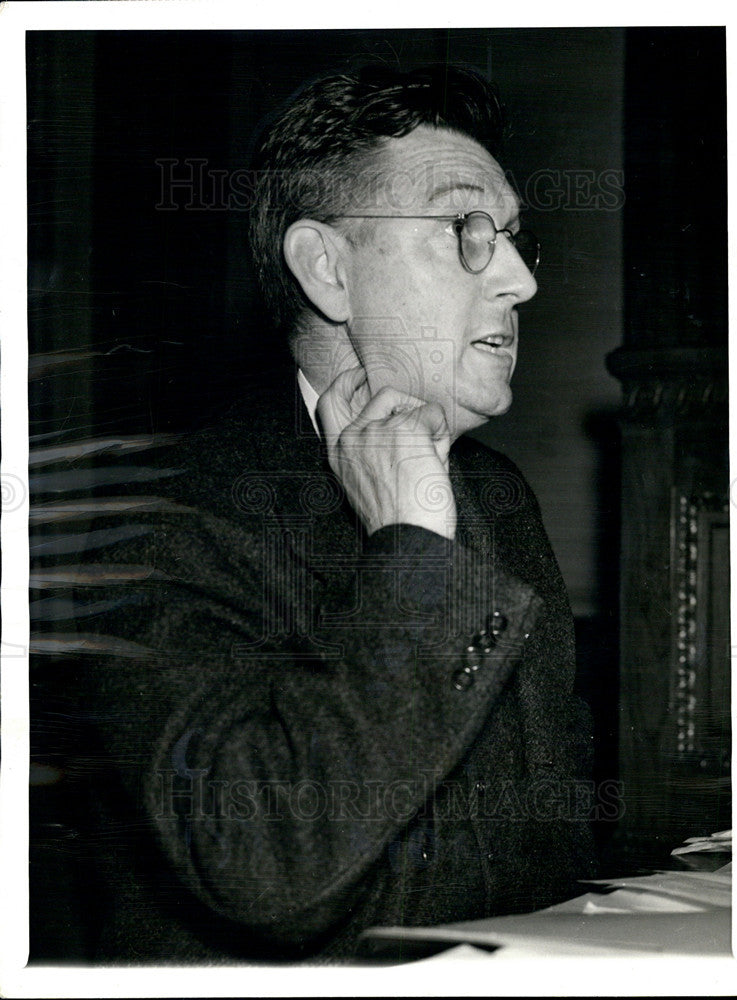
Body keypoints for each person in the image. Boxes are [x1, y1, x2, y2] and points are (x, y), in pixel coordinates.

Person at [36, 63, 596, 963]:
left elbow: (543, 857)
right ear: (327, 271)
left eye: (517, 238)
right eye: (468, 231)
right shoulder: (165, 522)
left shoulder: (497, 495)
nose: (523, 280)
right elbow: (270, 872)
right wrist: (414, 549)